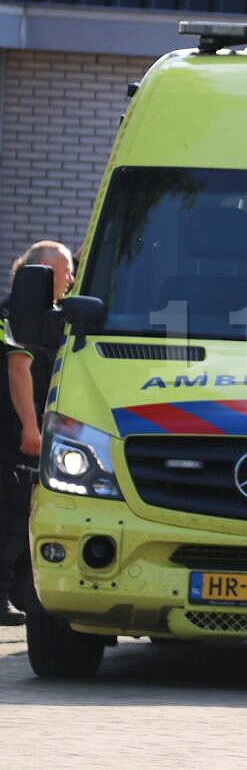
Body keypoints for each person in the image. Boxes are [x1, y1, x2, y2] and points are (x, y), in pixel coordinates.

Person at [0, 240, 75, 624]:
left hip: (29, 429)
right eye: (65, 271)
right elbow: (19, 369)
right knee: (13, 510)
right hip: (14, 431)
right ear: (41, 274)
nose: (71, 278)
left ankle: (16, 594)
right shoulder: (15, 315)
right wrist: (31, 427)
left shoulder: (49, 315)